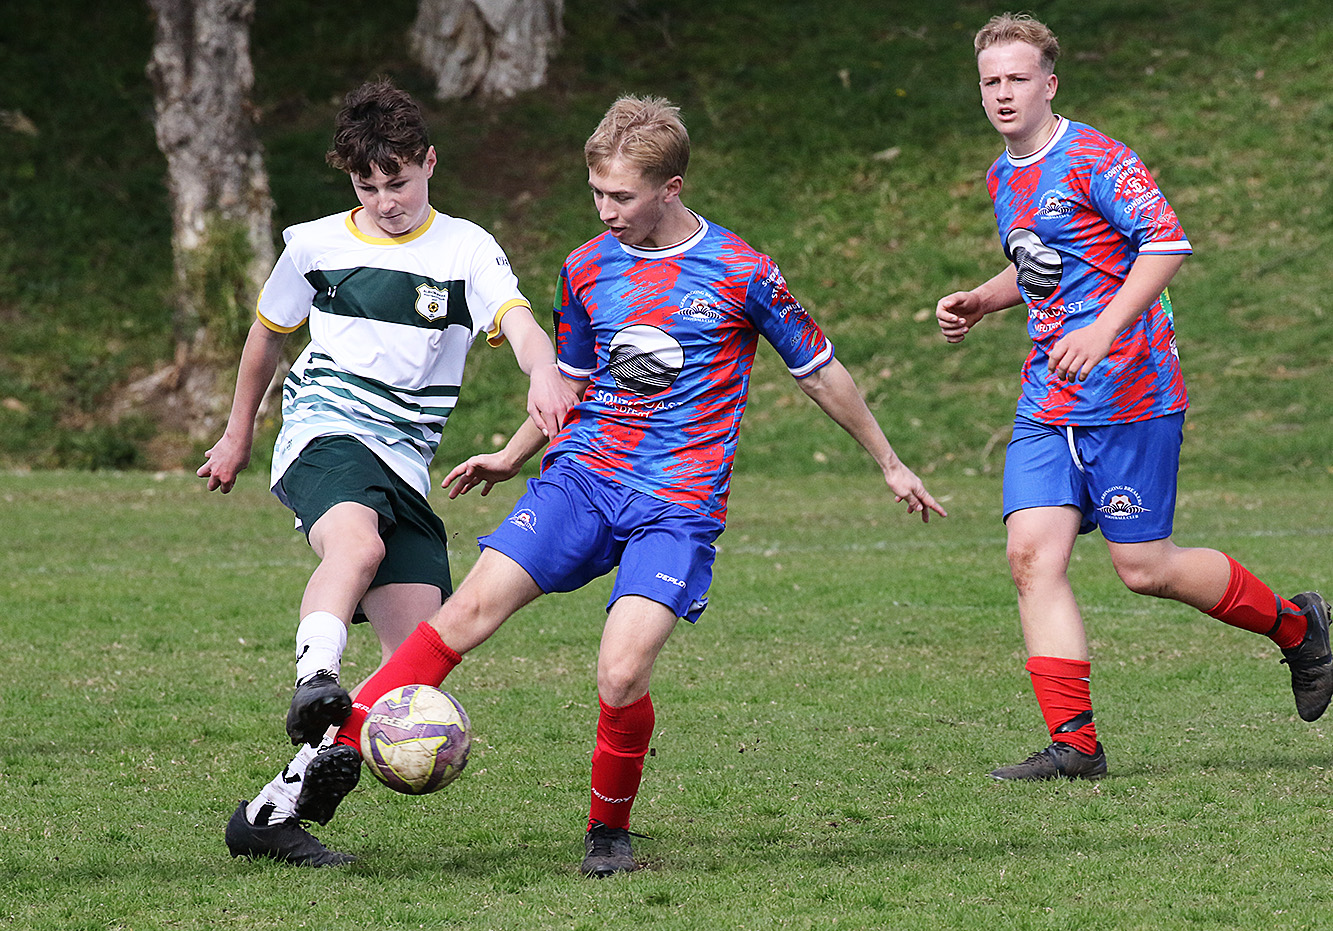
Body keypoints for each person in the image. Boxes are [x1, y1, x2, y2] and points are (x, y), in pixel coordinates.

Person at [278, 94, 946, 876]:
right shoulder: (586, 268)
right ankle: (293, 792)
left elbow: (818, 372)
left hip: (677, 502)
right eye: (596, 193)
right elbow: (571, 379)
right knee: (465, 613)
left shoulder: (739, 270)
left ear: (671, 186)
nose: (604, 211)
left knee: (620, 670)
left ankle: (608, 831)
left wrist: (889, 460)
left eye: (621, 196)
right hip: (583, 479)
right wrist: (511, 452)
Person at [935, 13, 1330, 781]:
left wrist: (1106, 329)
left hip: (1131, 389)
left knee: (1143, 567)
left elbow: (1165, 242)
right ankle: (1074, 745)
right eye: (991, 81)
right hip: (1048, 397)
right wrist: (984, 298)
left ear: (1049, 83)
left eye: (1019, 78)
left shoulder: (1095, 157)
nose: (1004, 93)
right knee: (1030, 556)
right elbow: (1045, 263)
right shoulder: (1002, 175)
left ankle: (1297, 625)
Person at [197, 79, 574, 865]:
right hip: (324, 431)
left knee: (412, 674)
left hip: (406, 460)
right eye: (367, 186)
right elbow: (266, 339)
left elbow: (519, 323)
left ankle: (272, 810)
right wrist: (237, 434)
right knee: (356, 548)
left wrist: (542, 374)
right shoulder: (313, 245)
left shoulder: (465, 248)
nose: (384, 200)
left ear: (429, 163)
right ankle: (314, 677)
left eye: (397, 181)